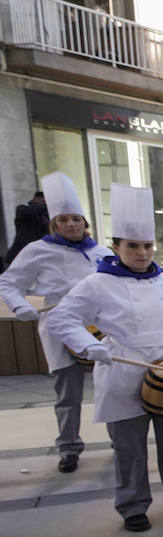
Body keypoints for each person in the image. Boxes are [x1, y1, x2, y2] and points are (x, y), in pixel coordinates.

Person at [47, 184, 163, 532]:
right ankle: (133, 504)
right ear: (116, 247)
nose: (142, 252)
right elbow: (61, 318)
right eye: (133, 246)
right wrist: (88, 346)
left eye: (147, 245)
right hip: (123, 370)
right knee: (129, 447)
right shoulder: (97, 283)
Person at [0, 172, 112, 471]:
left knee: (112, 386)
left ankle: (119, 438)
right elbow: (8, 283)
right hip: (59, 326)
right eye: (64, 220)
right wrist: (19, 305)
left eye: (76, 219)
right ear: (55, 223)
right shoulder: (37, 250)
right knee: (68, 392)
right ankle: (69, 447)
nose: (71, 224)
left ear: (84, 222)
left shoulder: (101, 252)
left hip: (101, 328)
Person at [4, 190, 47, 267]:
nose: (44, 204)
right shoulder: (22, 209)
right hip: (17, 257)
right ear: (36, 199)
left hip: (35, 258)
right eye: (43, 201)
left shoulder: (45, 216)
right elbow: (30, 210)